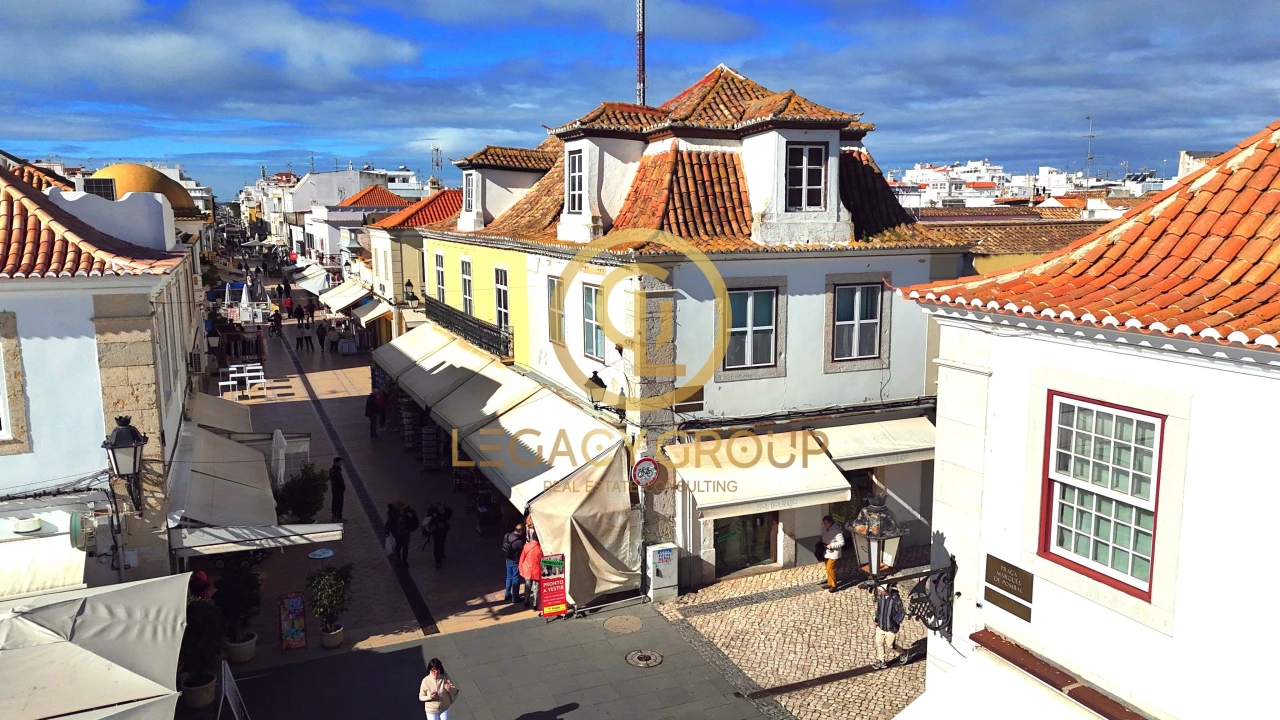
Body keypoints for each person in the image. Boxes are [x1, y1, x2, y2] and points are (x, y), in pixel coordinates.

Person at [872, 583, 906, 669]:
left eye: (881, 590)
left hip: (891, 628)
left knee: (890, 645)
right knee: (879, 642)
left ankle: (903, 653)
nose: (879, 591)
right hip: (881, 626)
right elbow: (879, 610)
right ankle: (882, 661)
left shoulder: (896, 600)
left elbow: (901, 613)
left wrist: (895, 622)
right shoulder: (881, 598)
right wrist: (876, 620)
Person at [502, 521, 526, 604]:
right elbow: (523, 551)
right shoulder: (519, 542)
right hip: (515, 561)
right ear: (521, 531)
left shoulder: (507, 535)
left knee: (509, 577)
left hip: (507, 559)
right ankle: (515, 597)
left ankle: (507, 594)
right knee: (515, 578)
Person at [518, 529, 543, 610]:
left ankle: (526, 602)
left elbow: (522, 557)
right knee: (536, 588)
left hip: (527, 570)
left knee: (527, 587)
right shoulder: (540, 548)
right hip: (536, 571)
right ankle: (535, 605)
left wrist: (520, 567)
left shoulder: (527, 546)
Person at [820, 515, 844, 593]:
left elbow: (842, 542)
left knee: (830, 567)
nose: (824, 525)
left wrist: (832, 545)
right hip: (826, 551)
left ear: (830, 523)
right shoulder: (826, 528)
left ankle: (834, 585)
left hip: (834, 552)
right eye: (824, 523)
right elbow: (825, 535)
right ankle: (829, 582)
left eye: (826, 523)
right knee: (827, 567)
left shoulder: (837, 530)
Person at [428, 503, 451, 569]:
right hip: (437, 533)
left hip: (443, 531)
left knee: (442, 542)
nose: (441, 510)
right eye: (440, 508)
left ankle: (442, 553)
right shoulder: (434, 515)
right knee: (437, 545)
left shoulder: (445, 513)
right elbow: (431, 522)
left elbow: (449, 513)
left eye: (442, 508)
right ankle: (437, 561)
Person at [329, 457, 346, 522]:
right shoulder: (334, 470)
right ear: (336, 463)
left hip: (339, 489)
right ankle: (337, 516)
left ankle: (337, 516)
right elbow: (335, 480)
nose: (341, 464)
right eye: (340, 462)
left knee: (338, 502)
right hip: (337, 489)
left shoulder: (337, 470)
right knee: (337, 502)